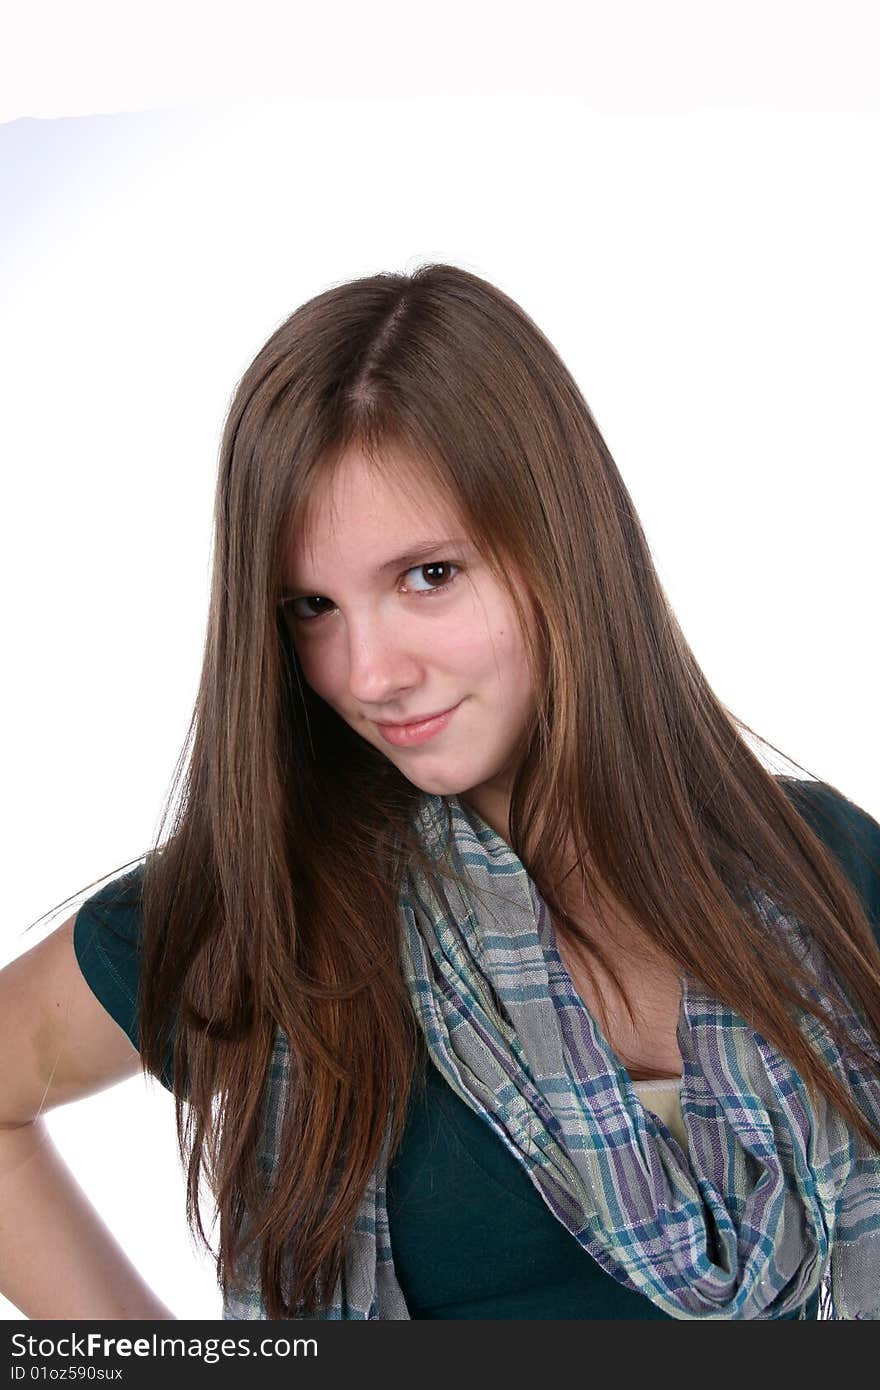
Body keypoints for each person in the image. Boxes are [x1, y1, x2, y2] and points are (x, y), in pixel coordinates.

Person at [2, 263, 880, 1322]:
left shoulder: (822, 862)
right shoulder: (268, 898)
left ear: (563, 543)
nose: (368, 674)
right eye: (311, 605)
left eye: (427, 576)